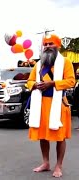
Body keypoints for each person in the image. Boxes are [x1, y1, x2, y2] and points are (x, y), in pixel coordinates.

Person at [27, 34, 75, 178]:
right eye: (45, 44)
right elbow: (29, 81)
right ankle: (46, 163)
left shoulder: (65, 62)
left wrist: (52, 83)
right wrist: (34, 84)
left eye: (50, 44)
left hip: (58, 104)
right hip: (41, 105)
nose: (47, 46)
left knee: (60, 137)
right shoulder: (38, 64)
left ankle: (58, 166)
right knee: (43, 135)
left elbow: (71, 81)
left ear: (57, 46)